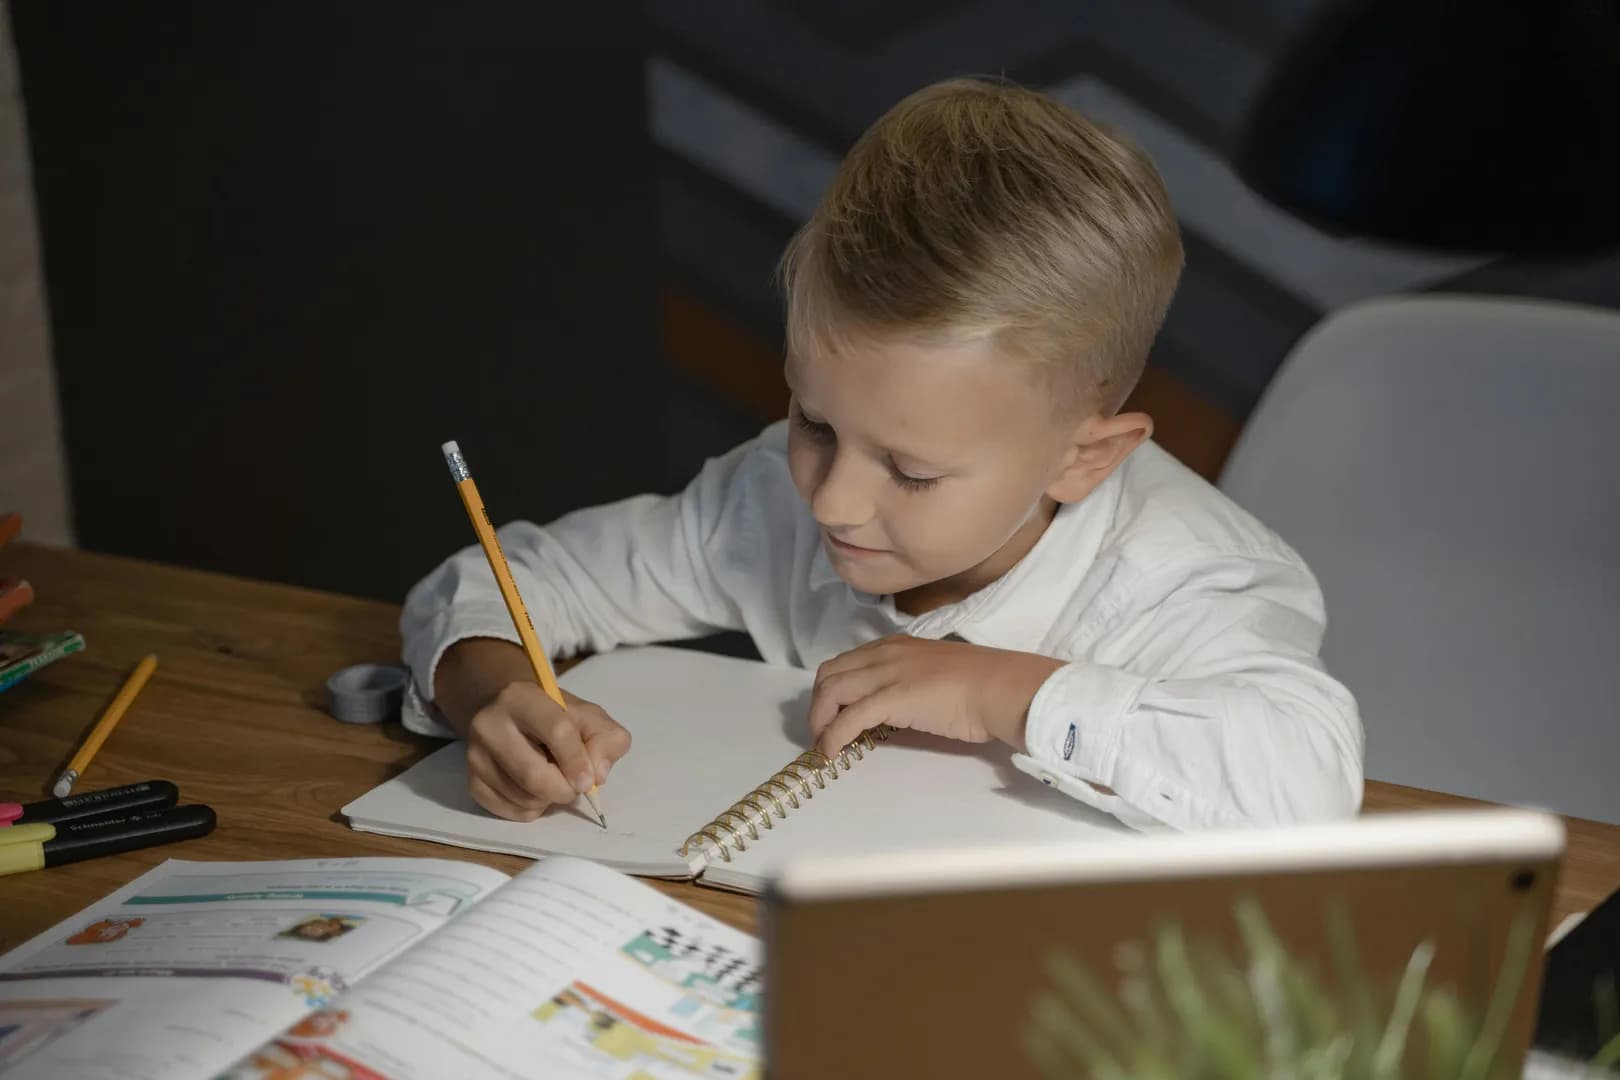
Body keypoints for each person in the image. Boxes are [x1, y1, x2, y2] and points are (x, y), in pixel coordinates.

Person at [402, 77, 1363, 832]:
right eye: (814, 423)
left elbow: (1311, 779)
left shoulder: (1191, 578)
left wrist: (1004, 693)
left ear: (1085, 458)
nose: (832, 502)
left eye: (912, 472)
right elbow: (508, 580)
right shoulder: (769, 500)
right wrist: (494, 693)